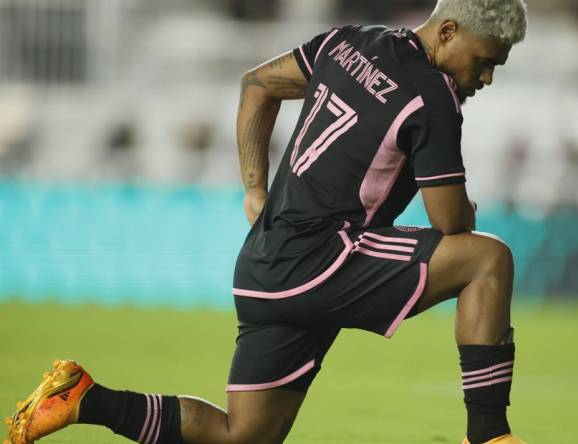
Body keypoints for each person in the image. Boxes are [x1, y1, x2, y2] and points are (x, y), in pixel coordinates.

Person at [5, 1, 529, 443]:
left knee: (244, 435)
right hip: (326, 258)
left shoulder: (346, 41)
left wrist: (254, 187)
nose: (484, 78)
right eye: (485, 61)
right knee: (488, 259)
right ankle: (488, 434)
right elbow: (449, 220)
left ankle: (83, 399)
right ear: (447, 31)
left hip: (264, 262)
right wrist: (467, 211)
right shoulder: (432, 94)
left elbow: (257, 84)